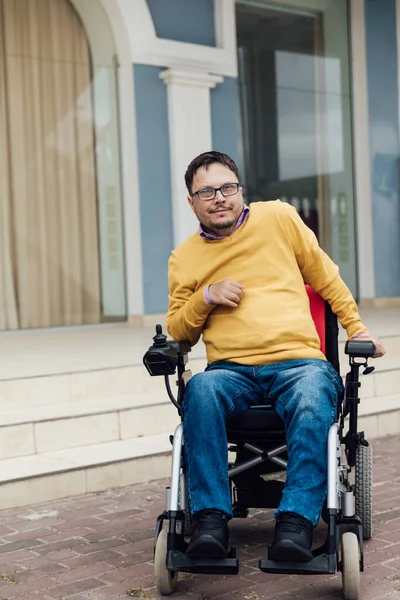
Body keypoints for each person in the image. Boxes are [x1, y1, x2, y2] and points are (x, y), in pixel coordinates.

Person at [166, 151, 385, 562]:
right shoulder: (184, 258)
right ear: (191, 201)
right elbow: (179, 328)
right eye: (207, 191)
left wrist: (357, 328)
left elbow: (325, 276)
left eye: (227, 187)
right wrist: (206, 296)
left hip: (299, 363)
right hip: (229, 370)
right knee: (200, 390)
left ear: (241, 190)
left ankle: (295, 522)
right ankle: (211, 519)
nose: (220, 198)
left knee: (310, 395)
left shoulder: (278, 219)